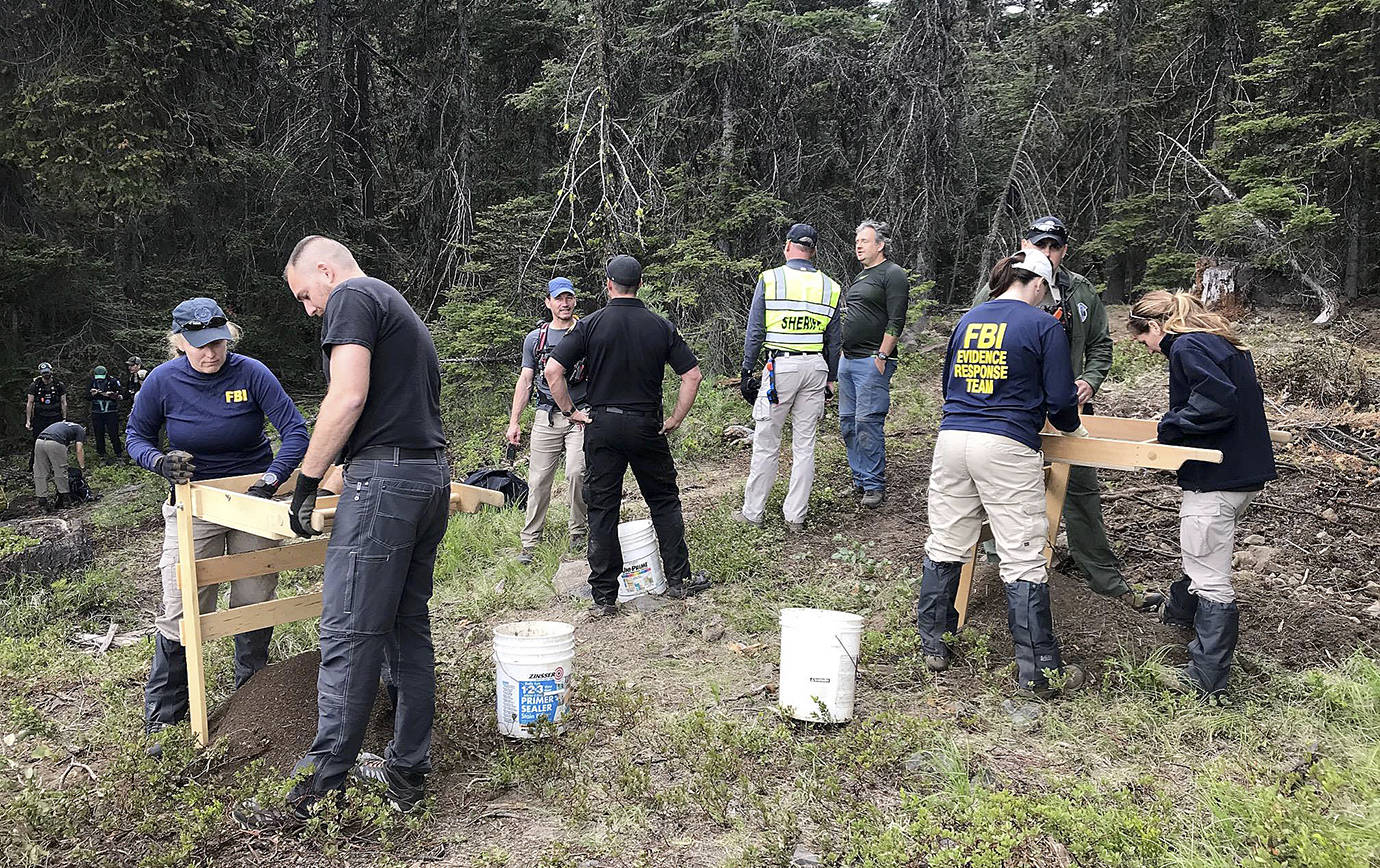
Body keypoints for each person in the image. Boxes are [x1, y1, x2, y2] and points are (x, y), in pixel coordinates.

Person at [244, 235, 450, 825]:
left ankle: (318, 786)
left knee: (347, 633)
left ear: (326, 272)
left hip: (385, 487)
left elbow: (348, 394)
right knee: (406, 629)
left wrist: (306, 480)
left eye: (306, 295)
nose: (310, 310)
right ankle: (408, 770)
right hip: (426, 476)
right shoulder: (396, 304)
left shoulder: (353, 298)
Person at [126, 297, 309, 754]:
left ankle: (251, 698)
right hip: (195, 500)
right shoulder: (163, 381)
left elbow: (296, 431)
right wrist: (160, 462)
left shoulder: (251, 372)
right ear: (179, 343)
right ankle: (166, 717)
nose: (211, 354)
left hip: (251, 496)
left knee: (254, 594)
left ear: (230, 337)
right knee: (184, 601)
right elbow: (136, 436)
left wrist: (270, 481)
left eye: (218, 343)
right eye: (200, 346)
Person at [917, 249, 1088, 700]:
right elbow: (1059, 398)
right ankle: (1039, 670)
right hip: (1007, 444)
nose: (1045, 300)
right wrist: (1073, 428)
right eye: (1045, 292)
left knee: (947, 540)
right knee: (1023, 553)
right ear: (1036, 284)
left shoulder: (968, 319)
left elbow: (947, 383)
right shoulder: (1042, 325)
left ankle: (934, 642)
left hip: (953, 438)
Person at [973, 216, 1160, 613]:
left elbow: (1100, 346)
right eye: (1040, 244)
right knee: (1000, 491)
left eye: (1054, 246)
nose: (1048, 253)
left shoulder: (1081, 290)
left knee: (1081, 492)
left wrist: (1089, 382)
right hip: (1011, 413)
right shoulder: (1004, 284)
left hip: (1068, 410)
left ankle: (1104, 580)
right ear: (1025, 244)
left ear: (1064, 250)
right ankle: (996, 568)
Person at [1127, 291, 1276, 698]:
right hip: (1242, 473)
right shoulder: (1222, 341)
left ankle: (1207, 678)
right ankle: (1178, 613)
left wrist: (1170, 426)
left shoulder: (1187, 345)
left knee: (1210, 574)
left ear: (1156, 326)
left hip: (1217, 478)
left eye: (1144, 340)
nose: (1149, 348)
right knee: (1202, 553)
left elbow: (1215, 402)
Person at [544, 254, 710, 614]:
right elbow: (692, 376)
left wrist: (572, 412)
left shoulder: (589, 325)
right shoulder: (659, 326)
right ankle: (679, 580)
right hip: (646, 424)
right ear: (639, 285)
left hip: (602, 424)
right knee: (663, 500)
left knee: (603, 507)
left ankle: (604, 597)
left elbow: (553, 370)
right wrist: (676, 418)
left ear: (608, 285)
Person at [733, 223, 842, 532]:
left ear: (788, 247)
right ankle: (796, 516)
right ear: (814, 251)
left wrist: (746, 370)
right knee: (805, 445)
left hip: (781, 367)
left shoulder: (772, 279)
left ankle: (753, 512)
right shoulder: (830, 286)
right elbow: (835, 339)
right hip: (816, 368)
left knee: (767, 442)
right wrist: (831, 378)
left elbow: (756, 330)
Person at [505, 277, 588, 564]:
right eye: (559, 299)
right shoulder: (535, 339)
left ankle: (578, 531)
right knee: (539, 479)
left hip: (581, 415)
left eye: (569, 298)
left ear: (574, 300)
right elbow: (526, 380)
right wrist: (514, 422)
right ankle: (530, 542)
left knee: (576, 472)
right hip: (547, 415)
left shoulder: (585, 332)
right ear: (548, 303)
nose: (564, 303)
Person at [839, 220, 909, 508]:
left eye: (865, 241)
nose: (858, 246)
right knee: (848, 423)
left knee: (867, 421)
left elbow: (896, 318)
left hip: (872, 360)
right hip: (848, 359)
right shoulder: (862, 276)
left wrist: (882, 355)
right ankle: (860, 478)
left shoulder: (893, 274)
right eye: (857, 241)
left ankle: (873, 484)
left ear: (880, 245)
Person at [32, 419, 85, 511]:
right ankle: (65, 499)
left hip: (39, 441)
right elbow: (79, 449)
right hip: (55, 442)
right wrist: (82, 467)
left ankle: (42, 500)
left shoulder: (63, 425)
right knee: (60, 470)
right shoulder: (80, 429)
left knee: (40, 470)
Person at [26, 362, 67, 469]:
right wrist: (28, 420)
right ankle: (35, 465)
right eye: (44, 373)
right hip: (40, 418)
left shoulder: (59, 385)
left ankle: (57, 465)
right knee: (38, 442)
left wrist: (64, 418)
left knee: (56, 442)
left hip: (55, 417)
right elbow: (30, 403)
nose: (46, 375)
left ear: (51, 371)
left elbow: (64, 402)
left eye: (47, 373)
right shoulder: (35, 385)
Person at [88, 365, 125, 462]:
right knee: (99, 434)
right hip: (97, 412)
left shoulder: (113, 381)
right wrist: (92, 394)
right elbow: (86, 396)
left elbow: (122, 395)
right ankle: (102, 455)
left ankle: (119, 454)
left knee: (114, 434)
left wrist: (112, 395)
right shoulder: (92, 382)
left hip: (111, 412)